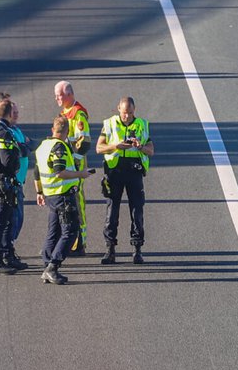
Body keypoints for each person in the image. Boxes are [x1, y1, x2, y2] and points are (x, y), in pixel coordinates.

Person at [33, 115, 97, 285]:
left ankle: (47, 264)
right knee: (70, 231)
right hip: (63, 195)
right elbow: (59, 171)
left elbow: (37, 171)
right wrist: (81, 174)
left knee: (53, 231)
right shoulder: (59, 147)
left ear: (52, 129)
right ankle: (52, 267)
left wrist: (39, 191)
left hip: (50, 195)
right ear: (67, 131)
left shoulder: (43, 146)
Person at [96, 96, 153, 265]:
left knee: (137, 210)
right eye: (124, 112)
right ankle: (110, 249)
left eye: (130, 112)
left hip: (134, 171)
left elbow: (151, 150)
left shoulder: (142, 125)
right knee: (112, 211)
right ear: (118, 109)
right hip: (115, 171)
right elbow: (99, 148)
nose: (126, 116)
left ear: (134, 110)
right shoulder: (110, 124)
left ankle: (137, 249)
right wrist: (116, 146)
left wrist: (140, 147)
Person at [0, 94, 31, 265]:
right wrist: (17, 154)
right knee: (3, 222)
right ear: (8, 115)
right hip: (2, 182)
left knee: (0, 221)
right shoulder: (3, 134)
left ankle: (4, 254)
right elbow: (9, 161)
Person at [54, 80, 91, 254]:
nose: (57, 99)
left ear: (69, 94)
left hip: (76, 167)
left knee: (77, 202)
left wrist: (75, 161)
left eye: (59, 95)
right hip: (68, 165)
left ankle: (80, 242)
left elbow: (85, 142)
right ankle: (71, 240)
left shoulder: (78, 114)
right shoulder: (65, 112)